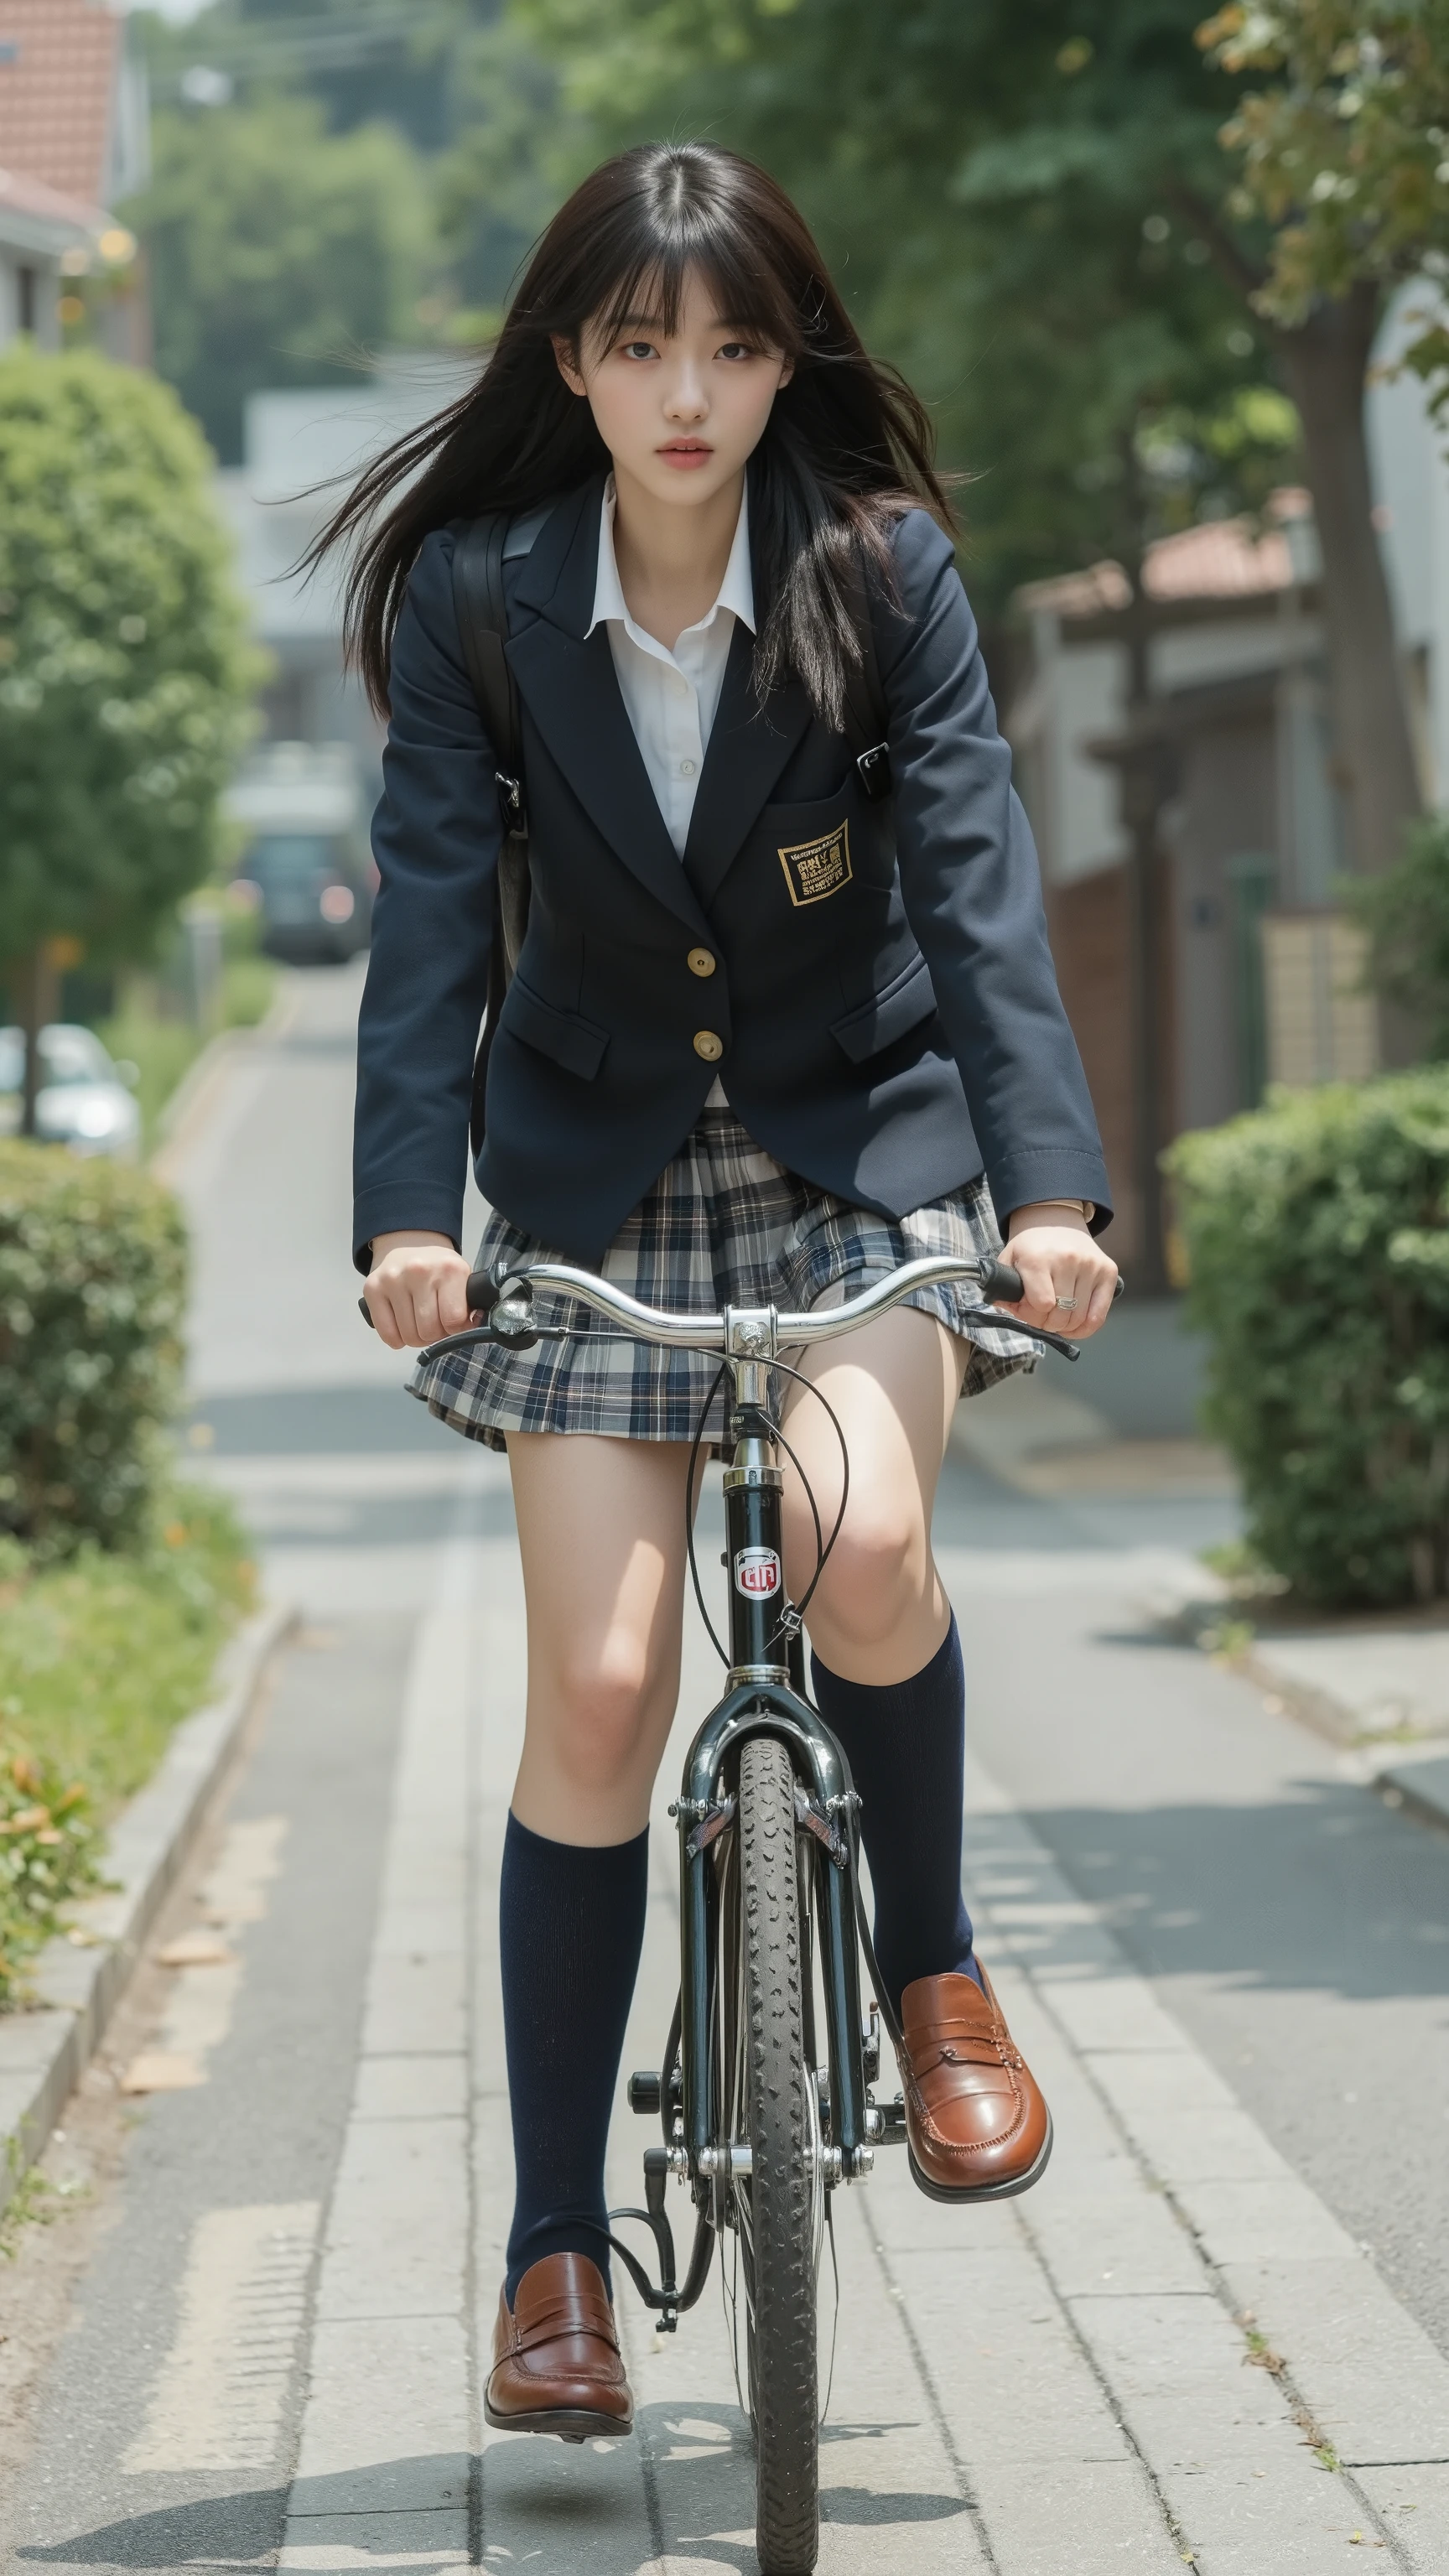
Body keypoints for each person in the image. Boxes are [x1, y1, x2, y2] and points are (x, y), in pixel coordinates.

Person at [319, 142, 1118, 2444]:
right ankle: (554, 2252)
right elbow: (422, 936)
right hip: (581, 1184)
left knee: (866, 1552)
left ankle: (938, 1982)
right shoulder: (481, 599)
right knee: (594, 1684)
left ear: (790, 361)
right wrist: (405, 1216)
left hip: (858, 1162)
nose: (690, 393)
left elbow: (976, 896)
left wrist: (1046, 1193)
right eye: (644, 344)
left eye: (737, 346)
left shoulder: (882, 580)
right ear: (571, 359)